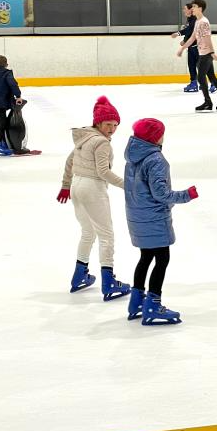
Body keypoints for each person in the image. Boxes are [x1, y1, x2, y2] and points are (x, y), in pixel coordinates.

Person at [124, 118, 198, 325]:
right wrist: (186, 195)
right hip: (154, 218)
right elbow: (161, 194)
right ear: (155, 137)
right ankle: (153, 304)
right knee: (162, 259)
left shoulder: (133, 157)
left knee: (145, 257)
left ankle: (136, 301)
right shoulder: (155, 159)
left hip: (137, 216)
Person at [57, 96, 130, 301]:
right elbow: (103, 172)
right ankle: (109, 282)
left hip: (77, 187)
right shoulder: (101, 143)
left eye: (115, 125)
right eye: (108, 124)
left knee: (88, 232)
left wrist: (65, 186)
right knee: (106, 234)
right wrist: (128, 186)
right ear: (98, 122)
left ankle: (79, 275)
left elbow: (70, 161)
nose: (112, 128)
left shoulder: (85, 137)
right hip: (92, 188)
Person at [178, 0, 217, 112]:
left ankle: (208, 102)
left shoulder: (203, 22)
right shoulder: (198, 21)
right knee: (211, 77)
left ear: (200, 8)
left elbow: (208, 38)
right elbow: (193, 37)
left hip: (206, 53)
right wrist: (182, 48)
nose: (192, 9)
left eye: (194, 6)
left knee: (201, 77)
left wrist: (212, 53)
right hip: (202, 52)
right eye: (192, 7)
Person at [0, 55, 23, 157]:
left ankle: (2, 143)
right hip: (0, 102)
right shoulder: (6, 73)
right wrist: (18, 95)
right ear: (6, 64)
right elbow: (12, 84)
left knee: (3, 123)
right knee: (2, 124)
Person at [171, 3, 210, 94]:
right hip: (191, 47)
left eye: (185, 9)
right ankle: (194, 83)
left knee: (201, 67)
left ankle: (212, 83)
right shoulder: (189, 20)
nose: (183, 10)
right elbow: (189, 33)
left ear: (190, 10)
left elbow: (189, 31)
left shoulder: (195, 19)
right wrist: (184, 40)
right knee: (192, 66)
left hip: (198, 47)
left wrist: (178, 34)